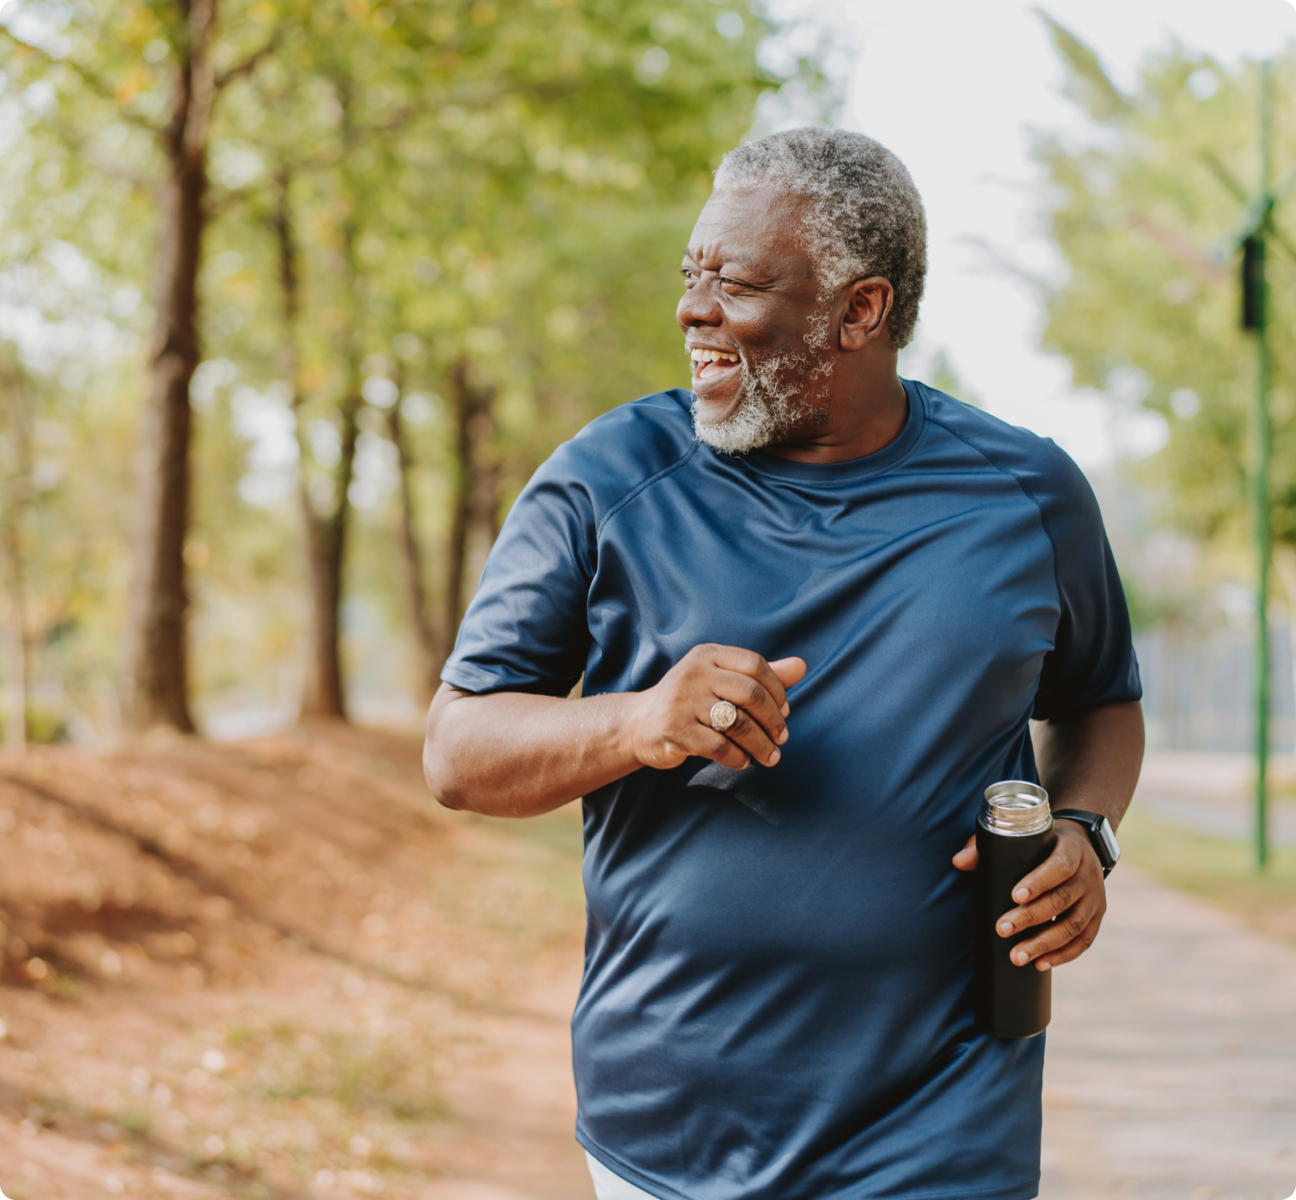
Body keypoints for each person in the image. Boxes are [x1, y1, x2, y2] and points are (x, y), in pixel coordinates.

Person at [422, 127, 1144, 1200]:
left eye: (738, 283)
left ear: (861, 310)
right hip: (674, 1128)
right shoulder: (607, 479)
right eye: (691, 276)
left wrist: (1085, 831)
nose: (692, 310)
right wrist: (636, 721)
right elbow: (457, 751)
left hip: (946, 1124)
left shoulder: (1028, 495)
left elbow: (1101, 702)